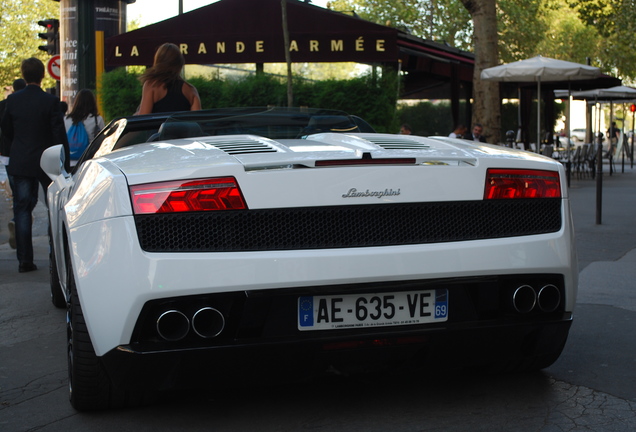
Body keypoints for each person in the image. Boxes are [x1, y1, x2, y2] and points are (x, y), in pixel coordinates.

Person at [0, 58, 69, 273]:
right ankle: (55, 255)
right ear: (42, 75)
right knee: (54, 208)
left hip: (20, 159)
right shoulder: (50, 101)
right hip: (46, 160)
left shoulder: (13, 101)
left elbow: (6, 129)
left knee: (21, 209)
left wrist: (18, 146)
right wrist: (63, 161)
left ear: (23, 73)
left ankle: (25, 261)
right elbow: (58, 133)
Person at [136, 43, 201, 115]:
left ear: (158, 61)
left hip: (157, 126)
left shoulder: (151, 85)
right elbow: (197, 120)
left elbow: (143, 119)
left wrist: (136, 114)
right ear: (179, 63)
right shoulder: (191, 90)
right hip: (180, 126)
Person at [64, 89, 105, 164]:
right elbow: (103, 140)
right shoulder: (97, 119)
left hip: (70, 161)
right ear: (93, 103)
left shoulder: (67, 119)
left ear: (76, 102)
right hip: (89, 160)